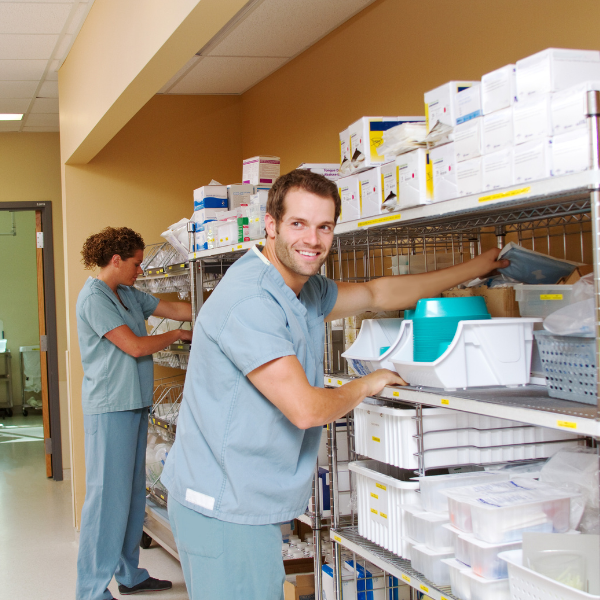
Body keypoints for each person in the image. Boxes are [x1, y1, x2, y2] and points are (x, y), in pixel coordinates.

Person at [161, 170, 509, 599]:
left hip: (242, 495)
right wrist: (367, 384)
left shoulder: (302, 288)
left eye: (324, 226)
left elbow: (378, 294)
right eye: (298, 224)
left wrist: (476, 268)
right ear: (270, 225)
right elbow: (306, 409)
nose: (312, 239)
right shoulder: (252, 300)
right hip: (224, 506)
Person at [75, 226, 193, 600]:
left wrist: (218, 308)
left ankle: (130, 574)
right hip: (110, 408)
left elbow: (173, 308)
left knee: (131, 496)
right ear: (116, 260)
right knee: (106, 498)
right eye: (137, 263)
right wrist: (176, 335)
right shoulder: (93, 298)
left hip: (135, 403)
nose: (140, 270)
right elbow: (136, 347)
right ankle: (90, 590)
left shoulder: (125, 293)